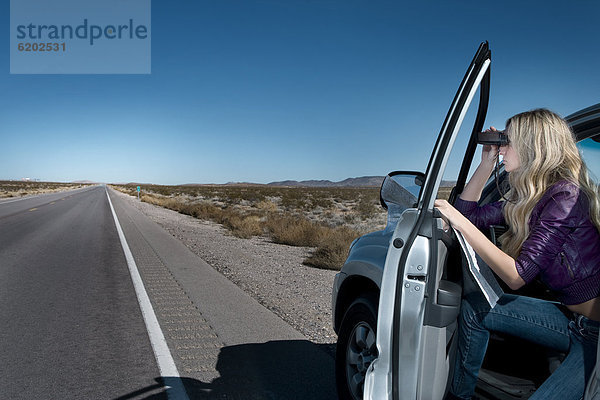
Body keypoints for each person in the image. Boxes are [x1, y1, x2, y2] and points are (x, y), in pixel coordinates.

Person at [435, 108, 600, 400]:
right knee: (477, 308)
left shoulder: (566, 196)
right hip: (571, 322)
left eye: (508, 141)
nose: (502, 148)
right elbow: (467, 213)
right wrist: (486, 163)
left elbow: (516, 276)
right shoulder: (531, 199)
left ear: (533, 147)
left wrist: (459, 222)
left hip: (595, 335)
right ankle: (458, 396)